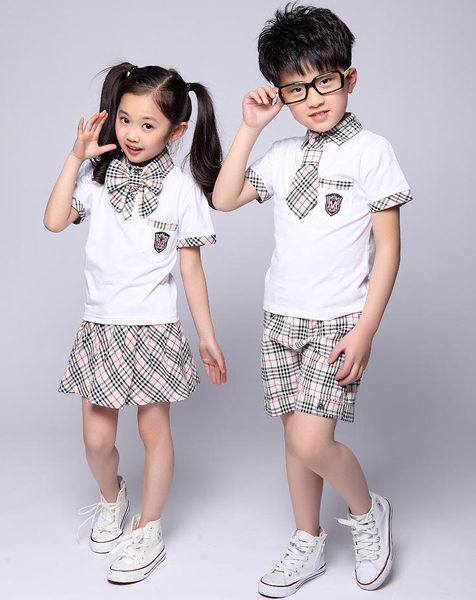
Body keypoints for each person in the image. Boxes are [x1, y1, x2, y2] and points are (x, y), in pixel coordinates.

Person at [213, 4, 412, 595]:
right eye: (295, 89)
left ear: (350, 77)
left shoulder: (371, 150)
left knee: (311, 440)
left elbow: (389, 251)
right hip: (280, 318)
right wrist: (251, 127)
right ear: (281, 94)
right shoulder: (281, 155)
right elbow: (223, 199)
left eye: (325, 81)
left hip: (338, 321)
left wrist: (365, 329)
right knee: (294, 440)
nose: (313, 99)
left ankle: (367, 511)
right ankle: (308, 539)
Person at [44, 62, 227, 584]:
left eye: (148, 125)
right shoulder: (96, 177)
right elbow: (54, 221)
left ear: (177, 130)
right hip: (101, 327)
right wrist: (75, 157)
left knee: (154, 432)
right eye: (125, 119)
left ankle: (149, 527)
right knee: (97, 440)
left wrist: (207, 336)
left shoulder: (183, 188)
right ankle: (113, 498)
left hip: (153, 329)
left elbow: (191, 269)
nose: (132, 133)